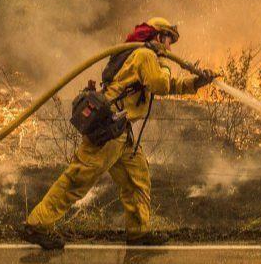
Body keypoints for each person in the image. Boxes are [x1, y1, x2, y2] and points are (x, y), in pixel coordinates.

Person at [21, 17, 216, 249]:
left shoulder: (146, 57)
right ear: (157, 36)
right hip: (108, 131)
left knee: (137, 180)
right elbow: (160, 84)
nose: (170, 48)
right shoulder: (145, 56)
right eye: (168, 40)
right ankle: (37, 224)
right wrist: (164, 62)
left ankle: (138, 232)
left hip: (121, 133)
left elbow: (168, 85)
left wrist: (196, 83)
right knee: (78, 179)